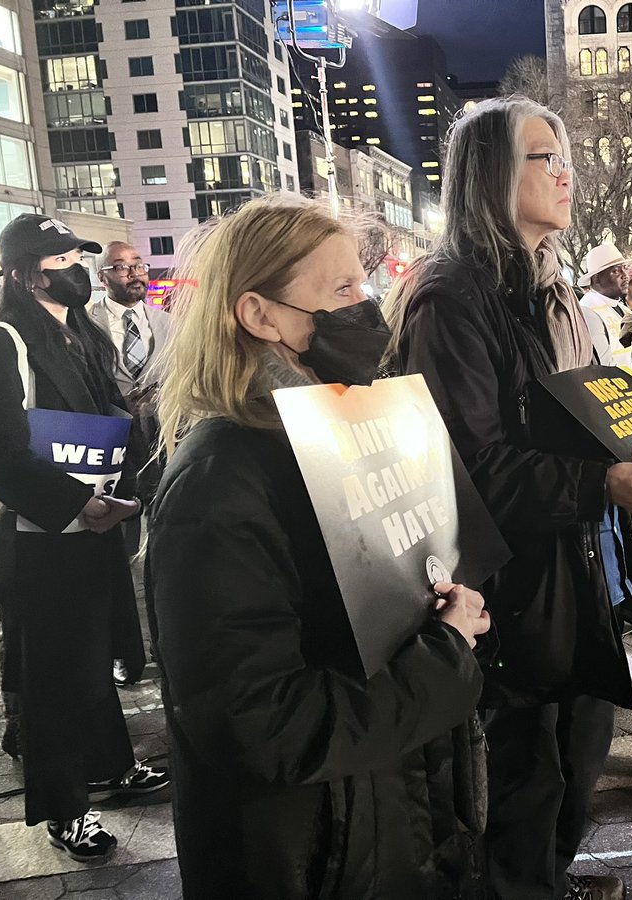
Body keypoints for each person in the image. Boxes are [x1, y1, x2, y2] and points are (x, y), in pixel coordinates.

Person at [147, 195, 489, 899]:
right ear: (259, 314)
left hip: (384, 825)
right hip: (311, 858)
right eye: (340, 291)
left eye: (364, 286)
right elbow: (261, 725)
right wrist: (444, 656)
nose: (367, 308)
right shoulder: (222, 484)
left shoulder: (343, 435)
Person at [387, 96, 632, 900]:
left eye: (565, 155)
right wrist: (601, 483)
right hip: (513, 581)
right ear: (486, 173)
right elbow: (469, 462)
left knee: (579, 759)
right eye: (542, 155)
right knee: (524, 772)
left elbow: (590, 415)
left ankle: (549, 878)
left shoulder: (556, 288)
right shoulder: (451, 296)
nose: (566, 170)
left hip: (582, 563)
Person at [0, 213, 167, 862]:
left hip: (96, 526)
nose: (77, 269)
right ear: (25, 273)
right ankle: (65, 808)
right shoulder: (3, 339)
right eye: (62, 260)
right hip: (41, 538)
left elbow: (108, 417)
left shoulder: (83, 334)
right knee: (54, 675)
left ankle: (108, 765)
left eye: (76, 257)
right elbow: (2, 453)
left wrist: (123, 490)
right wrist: (75, 504)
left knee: (98, 653)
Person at [89, 242, 171, 682]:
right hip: (110, 450)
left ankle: (164, 642)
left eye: (138, 265)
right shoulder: (85, 324)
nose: (133, 273)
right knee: (115, 554)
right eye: (121, 268)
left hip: (159, 450)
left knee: (161, 550)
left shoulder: (167, 322)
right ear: (103, 276)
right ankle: (123, 649)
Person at [577, 241, 632, 367]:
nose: (625, 276)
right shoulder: (588, 309)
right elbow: (604, 364)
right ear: (596, 279)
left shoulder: (619, 306)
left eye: (624, 268)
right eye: (616, 271)